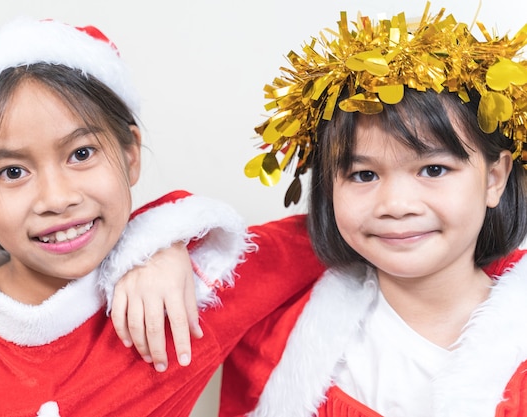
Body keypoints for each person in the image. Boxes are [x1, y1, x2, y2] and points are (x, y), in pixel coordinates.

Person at [0, 17, 323, 416]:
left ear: (130, 154)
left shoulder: (191, 296)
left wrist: (163, 238)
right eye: (13, 172)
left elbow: (341, 232)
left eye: (81, 154)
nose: (57, 198)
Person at [217, 5, 527, 417]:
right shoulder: (274, 336)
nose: (396, 206)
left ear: (494, 179)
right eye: (363, 175)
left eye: (433, 169)